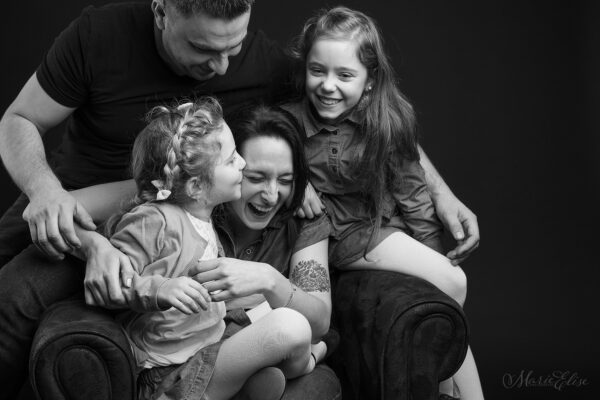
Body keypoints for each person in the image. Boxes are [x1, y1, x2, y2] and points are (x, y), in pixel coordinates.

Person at [56, 104, 335, 399]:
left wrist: (268, 280)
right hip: (169, 365)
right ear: (196, 181)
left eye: (286, 180)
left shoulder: (206, 209)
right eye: (252, 174)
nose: (270, 194)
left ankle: (263, 379)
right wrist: (97, 246)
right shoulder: (162, 207)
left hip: (211, 340)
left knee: (288, 333)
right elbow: (61, 212)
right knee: (289, 327)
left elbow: (318, 323)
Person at [282, 7, 484, 399]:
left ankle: (449, 389)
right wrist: (296, 180)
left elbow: (414, 194)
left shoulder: (388, 123)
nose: (327, 85)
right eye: (317, 70)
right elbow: (259, 156)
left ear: (370, 80)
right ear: (304, 67)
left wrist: (432, 257)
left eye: (344, 75)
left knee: (452, 280)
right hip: (313, 237)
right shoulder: (285, 122)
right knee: (310, 318)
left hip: (366, 233)